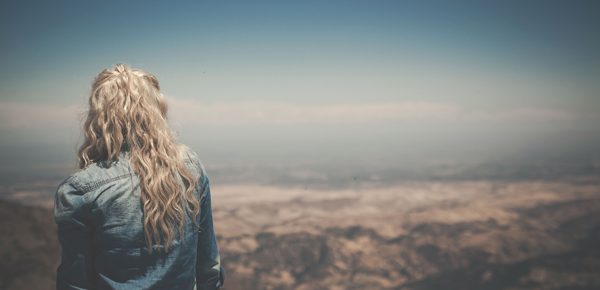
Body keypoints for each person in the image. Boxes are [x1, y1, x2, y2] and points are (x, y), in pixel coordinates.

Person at [53, 64, 224, 290]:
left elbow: (76, 284)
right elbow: (208, 267)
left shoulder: (80, 191)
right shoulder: (189, 167)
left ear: (98, 117)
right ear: (155, 111)